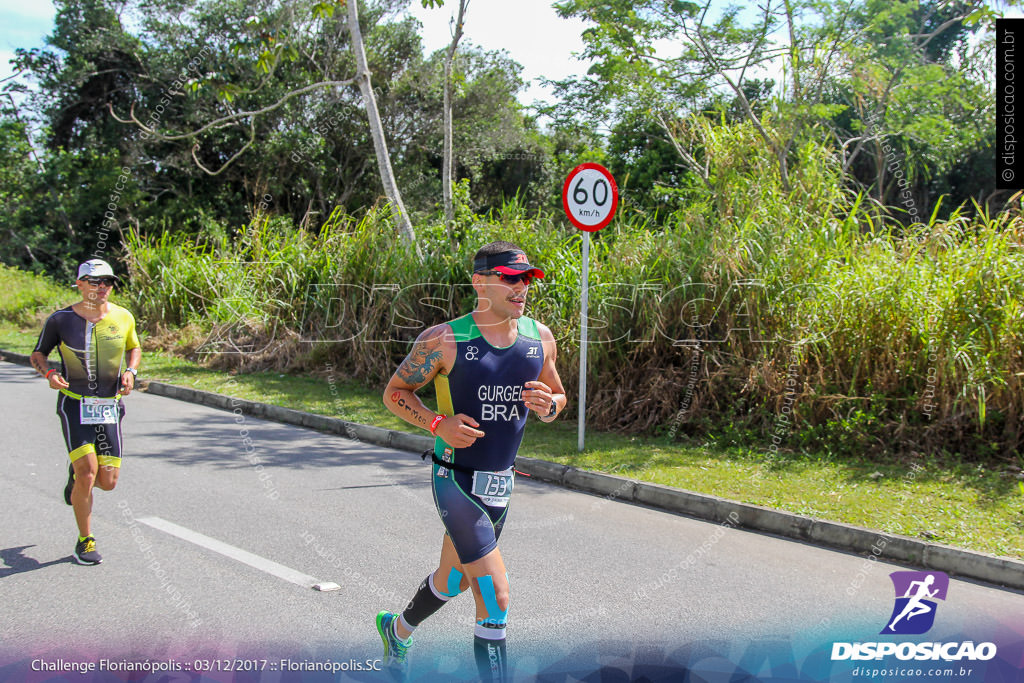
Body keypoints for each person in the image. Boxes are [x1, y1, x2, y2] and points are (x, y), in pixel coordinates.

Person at [377, 241, 566, 682]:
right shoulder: (444, 340)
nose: (521, 288)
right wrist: (436, 423)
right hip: (456, 481)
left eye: (526, 279)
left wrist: (549, 405)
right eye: (510, 278)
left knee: (452, 580)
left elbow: (557, 395)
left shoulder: (540, 339)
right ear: (480, 281)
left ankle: (397, 631)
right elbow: (395, 393)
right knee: (495, 595)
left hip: (501, 485)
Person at [30, 259, 141, 565]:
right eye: (94, 281)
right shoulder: (60, 320)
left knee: (107, 482)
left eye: (107, 281)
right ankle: (86, 541)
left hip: (108, 407)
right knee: (87, 472)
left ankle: (77, 478)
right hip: (74, 404)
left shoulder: (123, 316)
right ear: (79, 285)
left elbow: (134, 347)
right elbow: (38, 353)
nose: (102, 286)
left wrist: (131, 371)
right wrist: (49, 374)